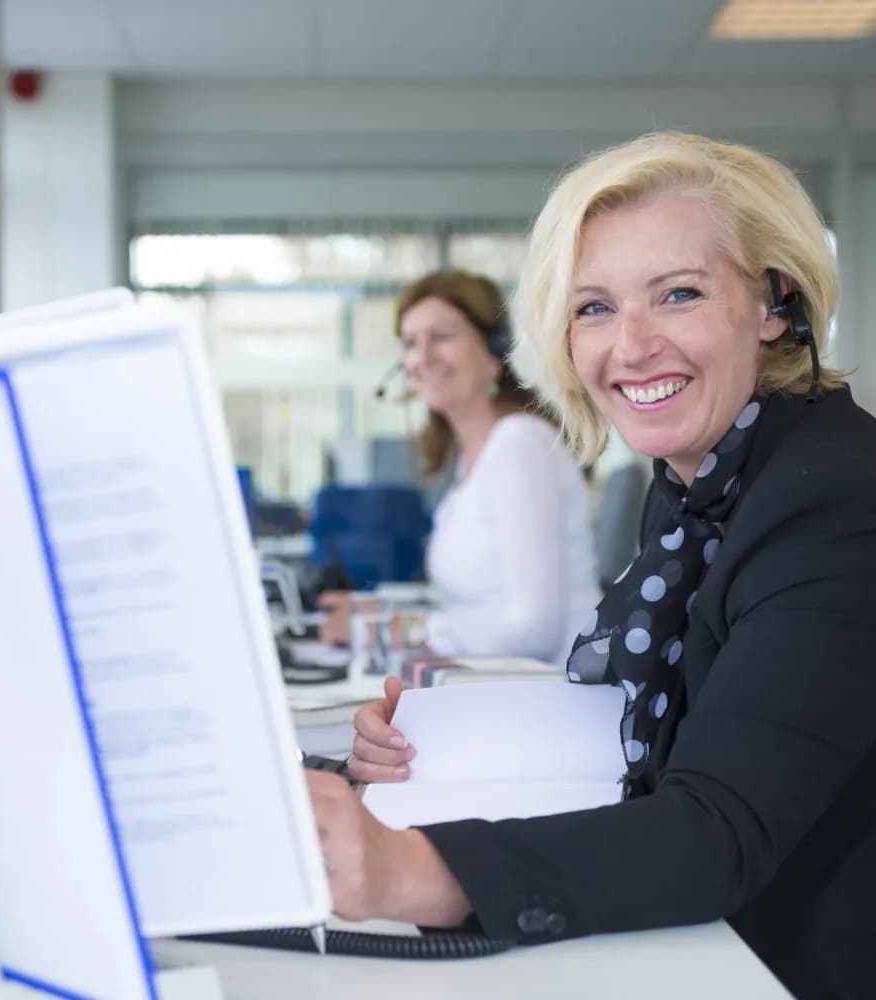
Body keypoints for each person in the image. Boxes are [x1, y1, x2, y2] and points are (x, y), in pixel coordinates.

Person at [306, 132, 876, 1000]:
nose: (632, 346)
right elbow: (664, 738)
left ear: (775, 305)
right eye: (594, 309)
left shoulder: (835, 499)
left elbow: (717, 829)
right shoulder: (700, 485)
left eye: (677, 294)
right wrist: (429, 746)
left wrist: (412, 868)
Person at [320, 268, 599, 665]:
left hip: (549, 696)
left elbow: (536, 630)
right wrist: (378, 615)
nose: (422, 357)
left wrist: (389, 630)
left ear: (493, 350)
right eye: (411, 343)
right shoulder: (475, 459)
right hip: (501, 686)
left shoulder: (518, 446)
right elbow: (481, 603)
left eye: (441, 337)